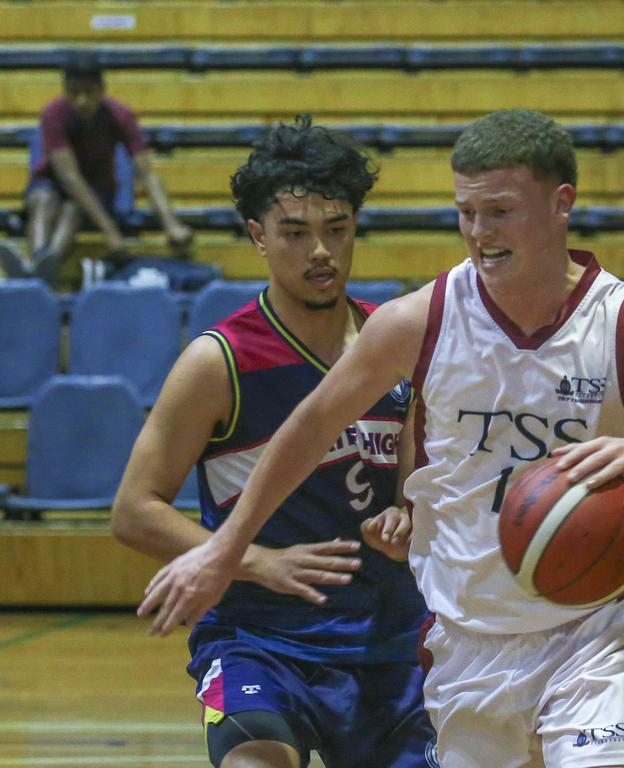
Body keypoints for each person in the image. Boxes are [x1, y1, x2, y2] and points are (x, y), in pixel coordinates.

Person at [137, 109, 624, 768]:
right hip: (460, 645)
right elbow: (309, 427)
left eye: (500, 212)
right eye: (466, 213)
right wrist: (227, 550)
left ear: (560, 205)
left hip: (589, 636)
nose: (479, 234)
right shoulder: (416, 322)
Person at [111, 115, 437, 768]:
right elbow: (134, 510)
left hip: (391, 640)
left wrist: (408, 521)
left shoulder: (396, 348)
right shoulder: (219, 362)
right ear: (258, 235)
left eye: (336, 230)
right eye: (295, 233)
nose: (320, 251)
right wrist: (253, 560)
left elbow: (418, 494)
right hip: (259, 637)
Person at [0, 53, 192, 285]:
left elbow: (147, 173)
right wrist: (111, 232)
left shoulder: (121, 116)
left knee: (74, 209)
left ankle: (40, 273)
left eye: (89, 93)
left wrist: (171, 225)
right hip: (51, 183)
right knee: (43, 200)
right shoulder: (53, 114)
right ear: (64, 92)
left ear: (102, 91)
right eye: (74, 93)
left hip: (97, 189)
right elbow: (70, 177)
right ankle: (38, 262)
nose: (82, 100)